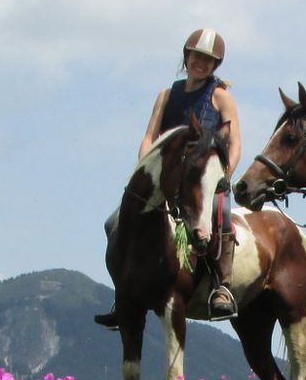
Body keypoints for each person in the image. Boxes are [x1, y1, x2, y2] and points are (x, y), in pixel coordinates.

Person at [96, 28, 242, 329]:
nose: (200, 63)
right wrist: (143, 171)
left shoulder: (221, 96)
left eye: (207, 60)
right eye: (196, 57)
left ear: (215, 65)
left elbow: (235, 141)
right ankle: (123, 292)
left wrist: (224, 176)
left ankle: (221, 285)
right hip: (168, 182)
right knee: (115, 222)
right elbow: (150, 137)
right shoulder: (167, 96)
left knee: (221, 217)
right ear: (187, 57)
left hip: (205, 180)